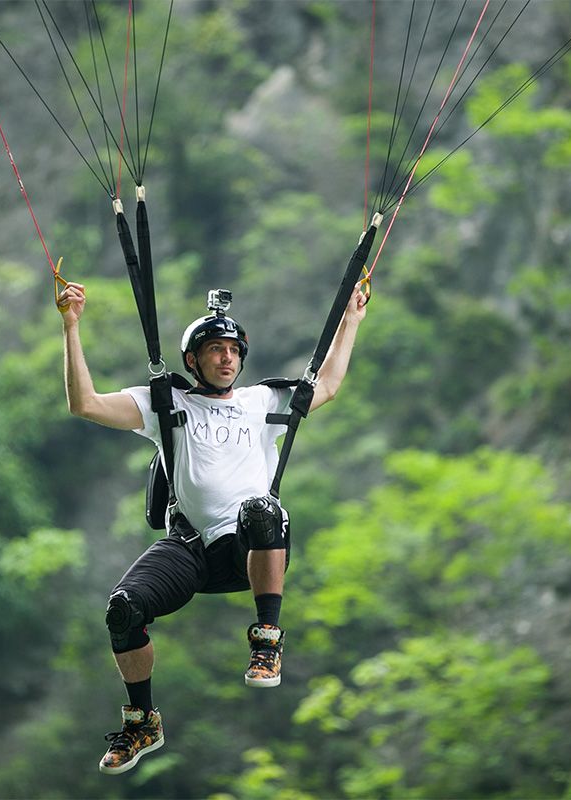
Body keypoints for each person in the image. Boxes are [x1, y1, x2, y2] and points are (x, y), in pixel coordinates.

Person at [56, 277, 369, 775]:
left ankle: (267, 638)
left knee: (262, 508)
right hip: (190, 549)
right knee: (123, 610)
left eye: (232, 351)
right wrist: (71, 326)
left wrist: (351, 318)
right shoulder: (165, 404)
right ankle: (142, 720)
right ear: (193, 360)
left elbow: (326, 383)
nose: (226, 359)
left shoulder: (262, 401)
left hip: (250, 547)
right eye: (214, 350)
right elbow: (85, 403)